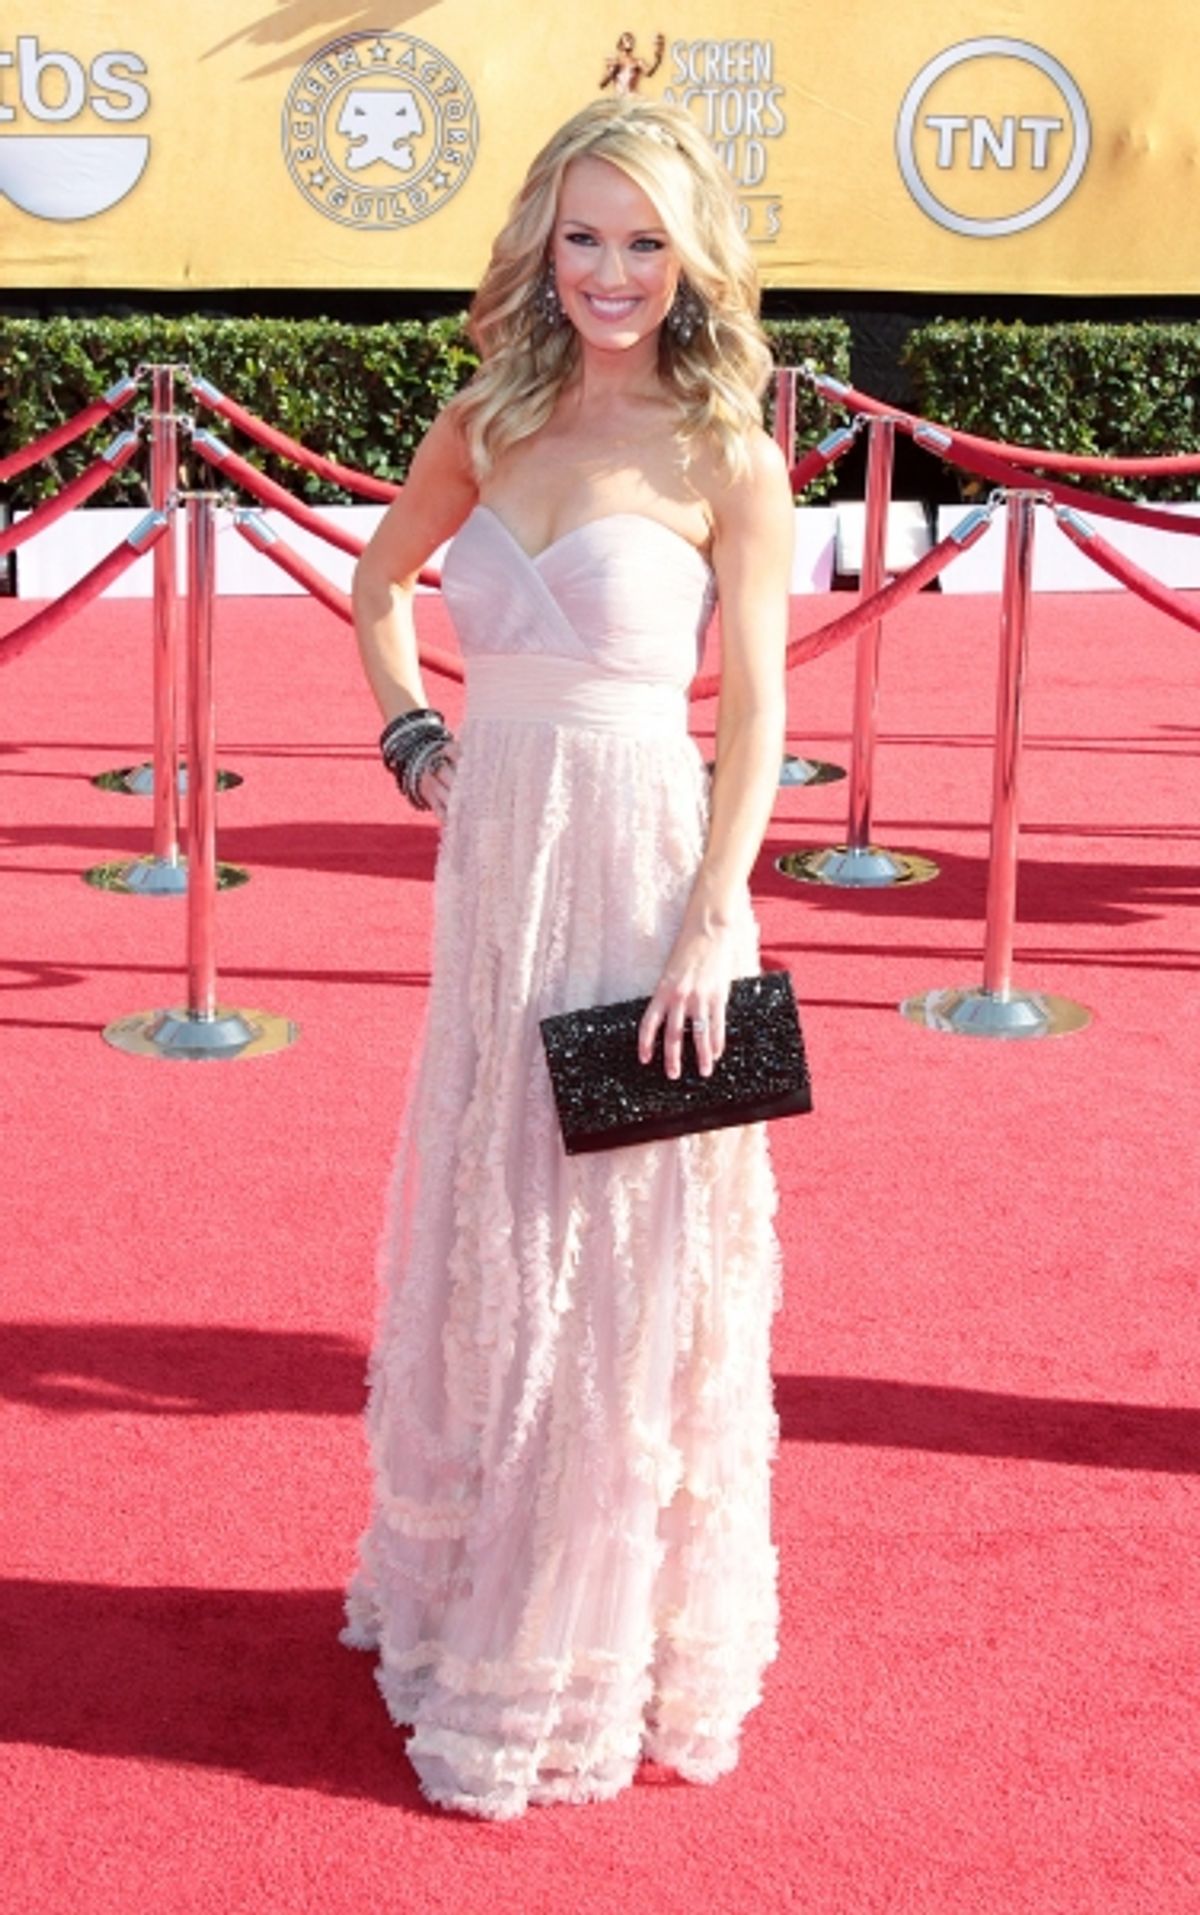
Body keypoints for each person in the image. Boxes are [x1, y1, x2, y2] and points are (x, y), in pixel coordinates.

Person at [342, 94, 794, 1820]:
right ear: (542, 244)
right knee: (497, 1234)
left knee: (615, 1265)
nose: (611, 273)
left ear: (693, 261)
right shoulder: (490, 415)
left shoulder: (725, 451)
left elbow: (754, 719)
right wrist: (413, 737)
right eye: (584, 236)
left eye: (645, 243)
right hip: (498, 886)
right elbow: (380, 588)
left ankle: (584, 1639)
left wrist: (710, 923)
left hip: (642, 882)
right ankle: (479, 1589)